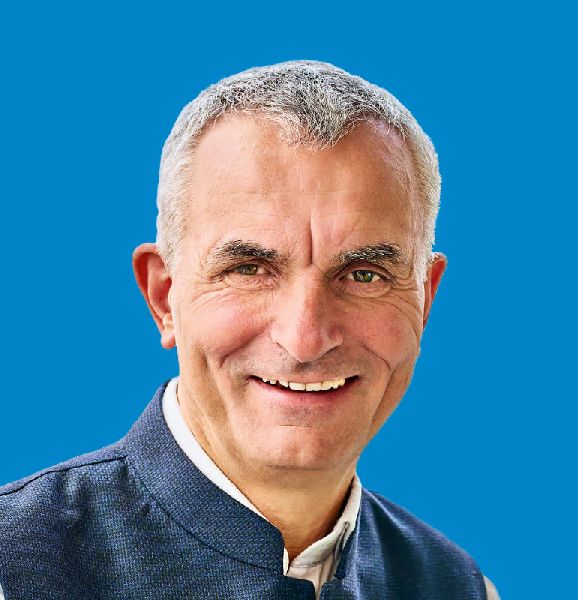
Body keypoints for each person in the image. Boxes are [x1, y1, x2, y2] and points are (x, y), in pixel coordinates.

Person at [0, 60, 499, 600]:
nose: (304, 338)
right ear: (164, 297)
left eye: (363, 274)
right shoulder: (16, 566)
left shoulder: (459, 587)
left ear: (424, 301)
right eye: (249, 269)